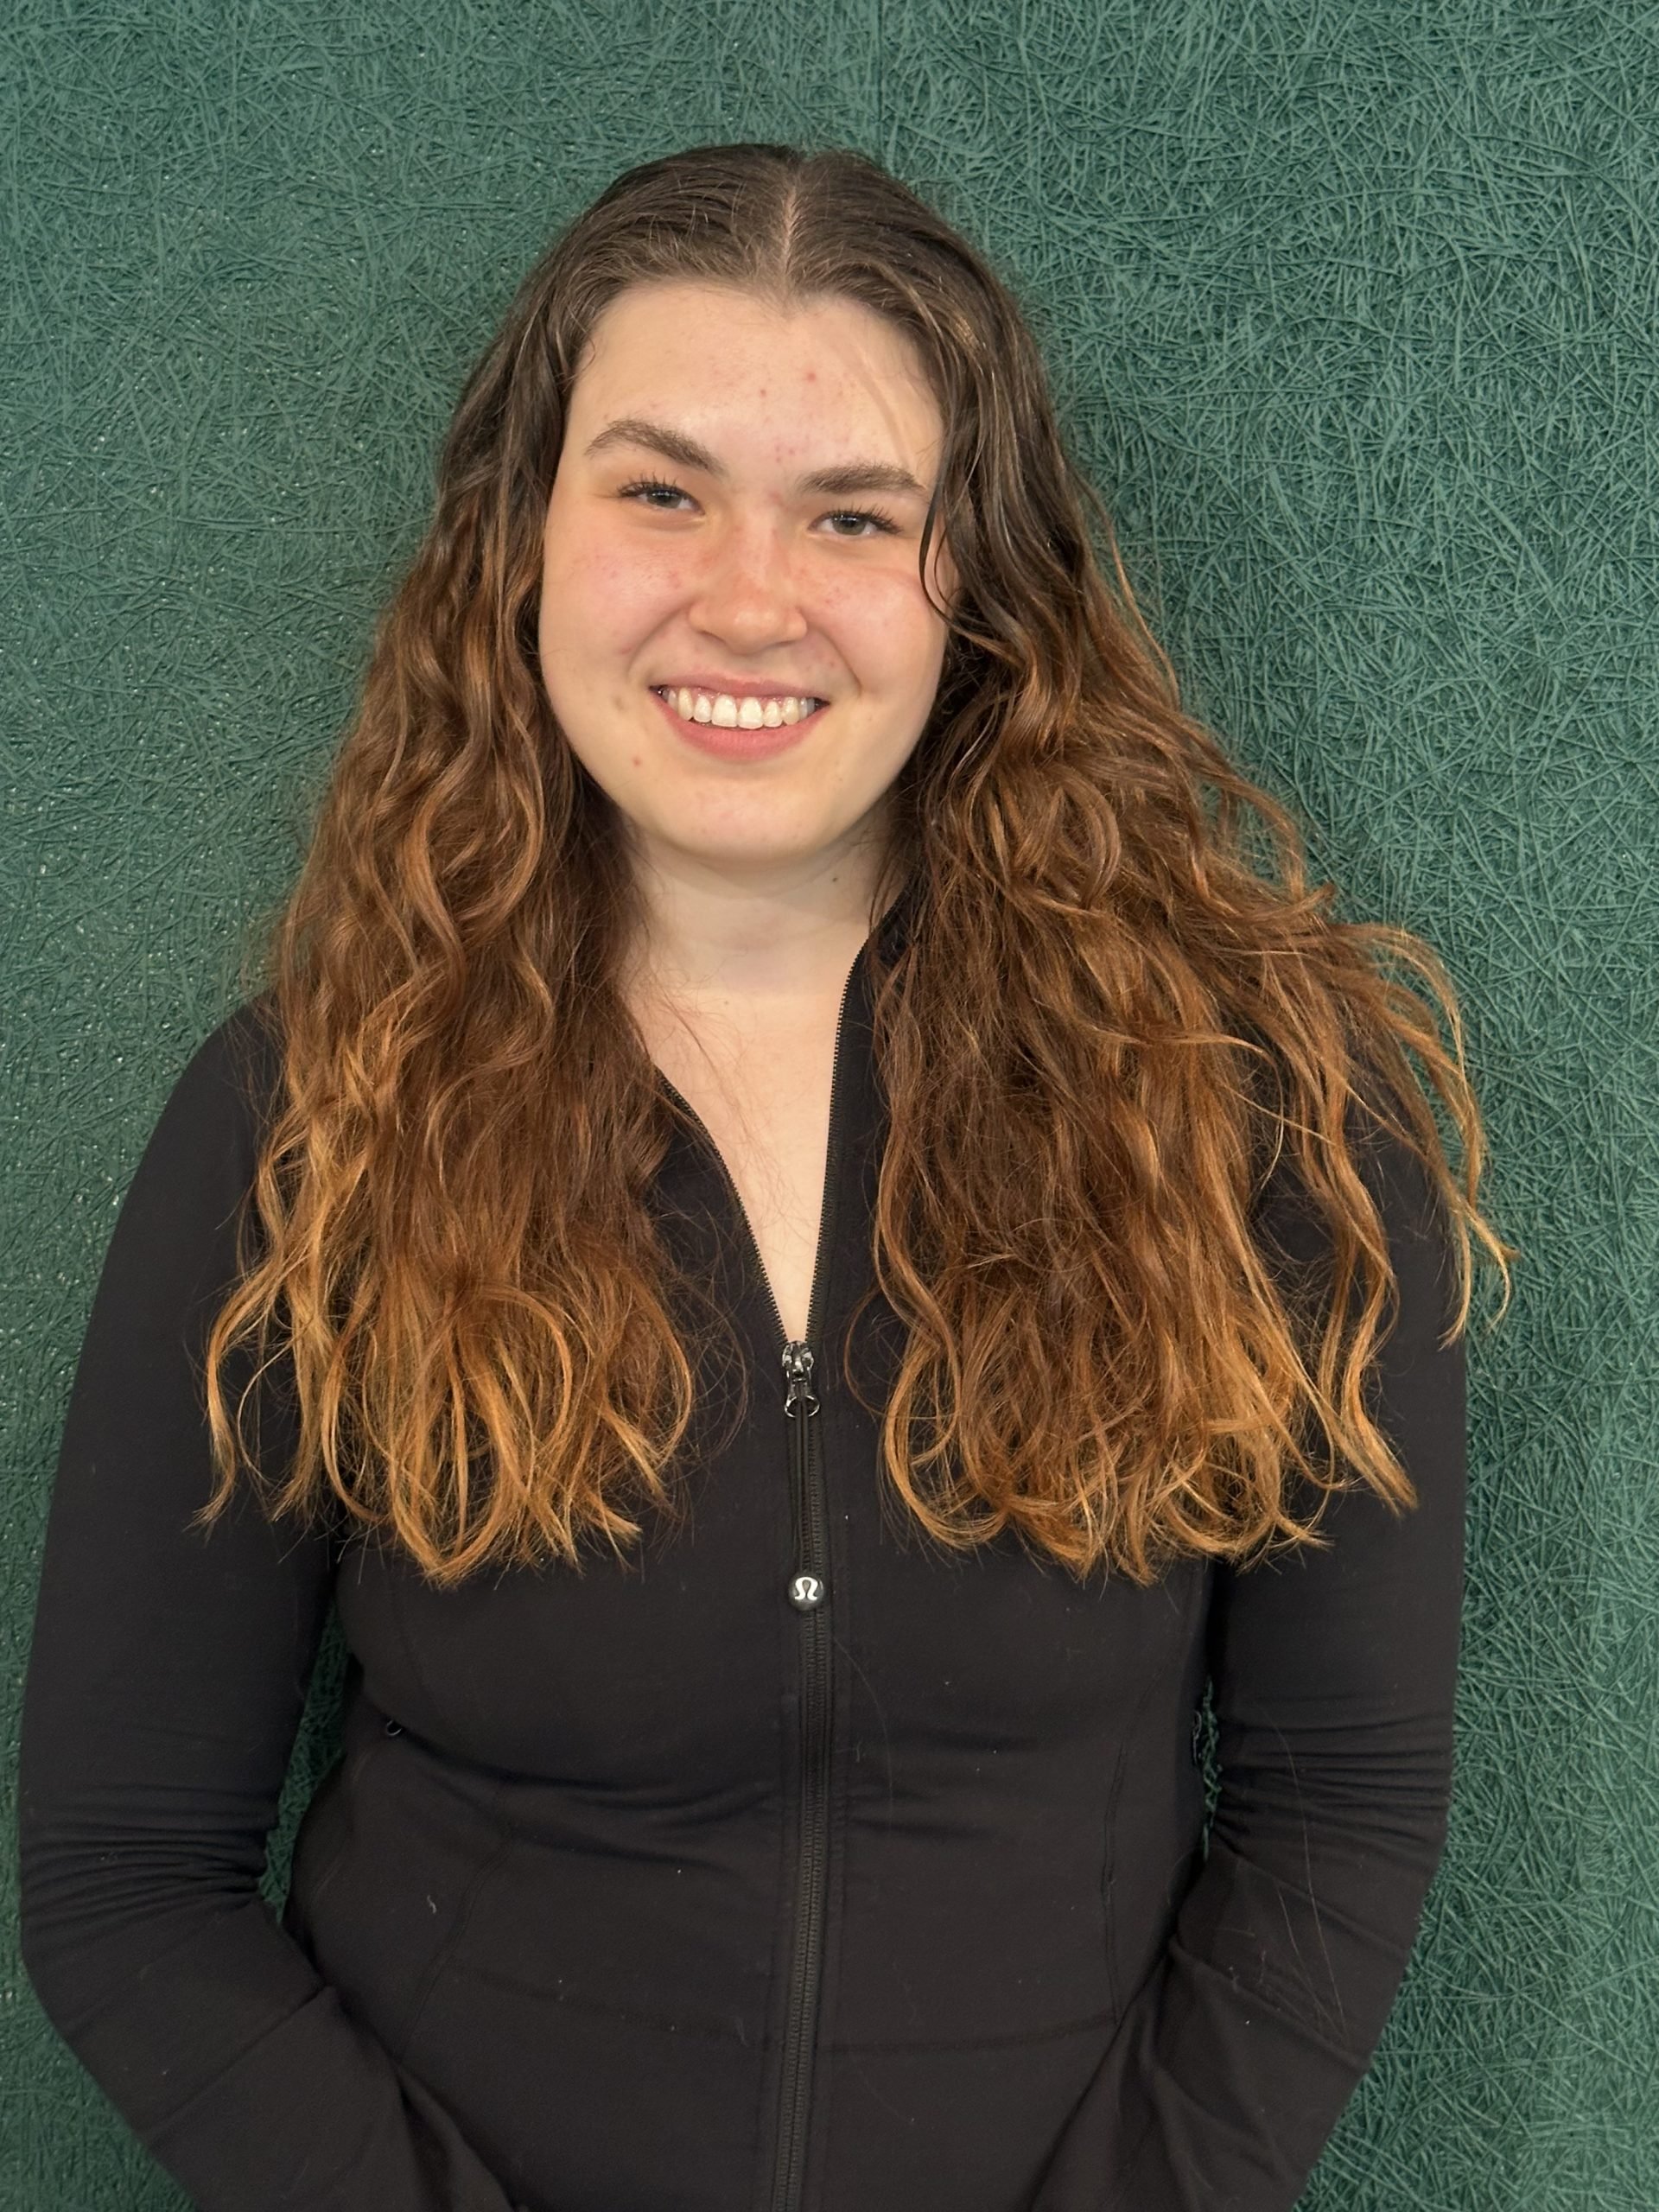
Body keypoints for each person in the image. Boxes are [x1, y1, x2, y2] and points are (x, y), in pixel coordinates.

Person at [17, 141, 1515, 2212]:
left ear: (974, 580)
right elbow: (122, 1879)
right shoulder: (306, 1122)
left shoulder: (1253, 1109)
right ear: (519, 541)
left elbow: (1340, 1807)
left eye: (853, 514)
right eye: (659, 488)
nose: (747, 594)